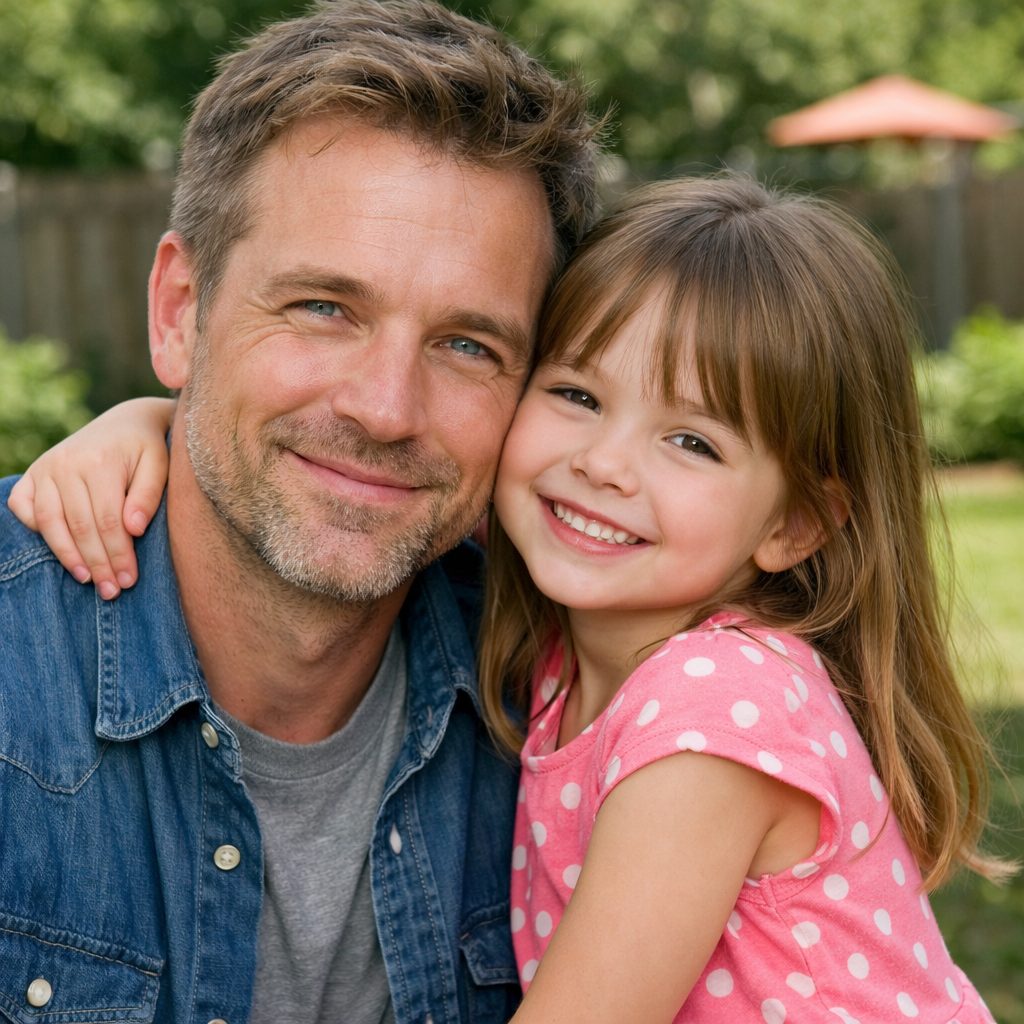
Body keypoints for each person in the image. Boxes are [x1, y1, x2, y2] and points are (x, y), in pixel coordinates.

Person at [16, 175, 1012, 1022]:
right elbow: (344, 476)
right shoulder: (559, 611)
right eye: (577, 395)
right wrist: (149, 423)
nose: (603, 465)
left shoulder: (711, 709)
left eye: (693, 442)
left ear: (794, 523)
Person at [0, 1, 601, 1022]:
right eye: (324, 308)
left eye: (467, 345)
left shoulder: (574, 700)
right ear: (180, 312)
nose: (385, 408)